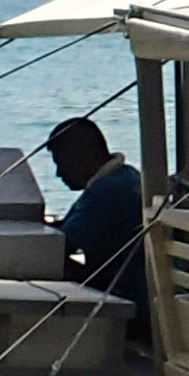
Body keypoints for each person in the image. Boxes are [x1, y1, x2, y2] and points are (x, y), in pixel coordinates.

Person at [44, 114, 149, 334]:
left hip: (132, 303)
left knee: (43, 268)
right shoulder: (126, 175)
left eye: (61, 164)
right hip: (143, 290)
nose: (59, 173)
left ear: (82, 157)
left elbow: (58, 248)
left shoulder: (106, 192)